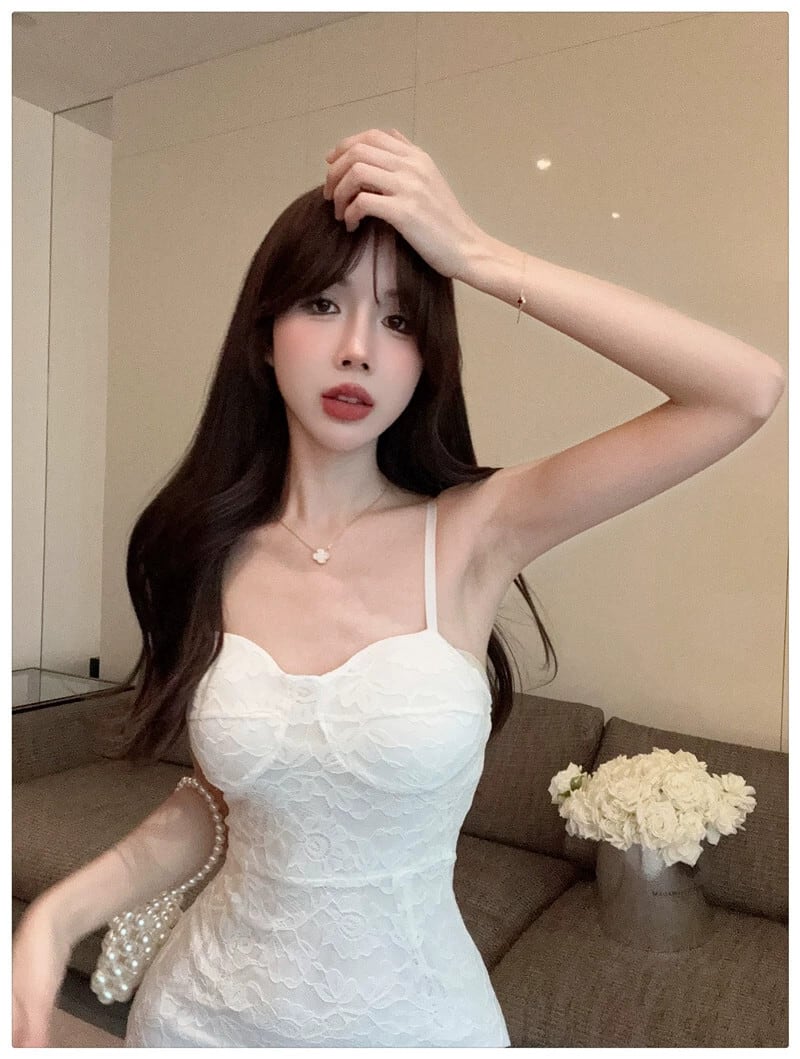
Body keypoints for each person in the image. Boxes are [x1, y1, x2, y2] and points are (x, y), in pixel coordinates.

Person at [12, 128, 784, 1048]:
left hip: (413, 1025)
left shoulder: (473, 532)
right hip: (199, 1021)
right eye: (322, 304)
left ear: (426, 358)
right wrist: (55, 916)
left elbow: (744, 390)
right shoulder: (210, 551)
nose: (357, 350)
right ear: (263, 339)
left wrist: (476, 255)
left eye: (398, 320)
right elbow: (216, 802)